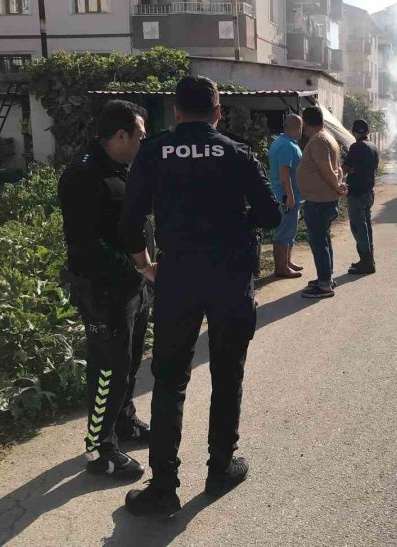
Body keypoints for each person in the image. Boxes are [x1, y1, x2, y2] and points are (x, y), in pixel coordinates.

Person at [119, 76, 281, 517]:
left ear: (175, 111)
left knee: (169, 380)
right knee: (228, 374)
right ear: (217, 112)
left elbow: (129, 221)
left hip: (178, 277)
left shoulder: (153, 151)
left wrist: (146, 265)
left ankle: (164, 488)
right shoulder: (237, 152)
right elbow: (270, 213)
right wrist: (237, 222)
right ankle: (220, 468)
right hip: (230, 277)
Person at [57, 100, 153, 479]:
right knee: (107, 369)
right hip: (104, 291)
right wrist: (137, 267)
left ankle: (124, 423)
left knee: (129, 361)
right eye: (140, 136)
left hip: (133, 286)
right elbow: (86, 243)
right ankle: (99, 450)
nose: (143, 142)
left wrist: (141, 272)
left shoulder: (120, 167)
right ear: (120, 135)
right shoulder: (84, 175)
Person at [297, 105, 347, 299]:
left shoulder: (318, 140)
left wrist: (337, 186)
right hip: (323, 199)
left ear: (305, 123)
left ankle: (324, 284)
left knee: (319, 242)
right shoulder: (328, 138)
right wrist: (339, 184)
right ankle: (326, 277)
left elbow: (327, 169)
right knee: (323, 240)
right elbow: (338, 169)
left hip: (320, 201)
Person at [268, 113, 305, 278]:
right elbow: (285, 173)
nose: (301, 132)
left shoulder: (285, 143)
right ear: (297, 128)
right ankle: (281, 268)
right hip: (286, 196)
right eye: (301, 128)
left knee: (290, 231)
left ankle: (287, 262)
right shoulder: (287, 146)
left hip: (291, 195)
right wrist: (290, 196)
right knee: (284, 232)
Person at [342, 119, 379, 275]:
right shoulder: (373, 147)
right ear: (368, 132)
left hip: (356, 193)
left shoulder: (356, 147)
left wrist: (344, 171)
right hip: (368, 192)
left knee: (359, 228)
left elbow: (346, 167)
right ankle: (368, 259)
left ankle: (366, 262)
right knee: (366, 227)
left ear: (353, 132)